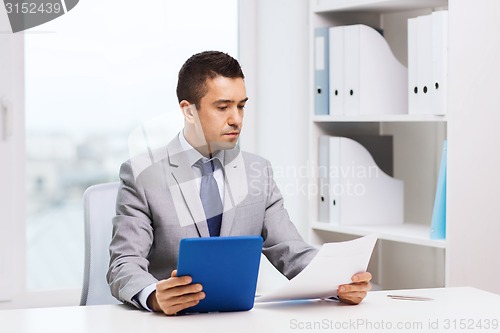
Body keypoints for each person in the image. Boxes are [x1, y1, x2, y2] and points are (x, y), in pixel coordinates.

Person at [107, 51, 372, 316]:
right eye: (223, 107)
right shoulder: (142, 174)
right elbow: (124, 263)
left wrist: (339, 282)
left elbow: (290, 250)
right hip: (172, 322)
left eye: (241, 106)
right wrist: (154, 296)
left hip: (239, 320)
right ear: (188, 111)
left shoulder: (258, 171)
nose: (236, 118)